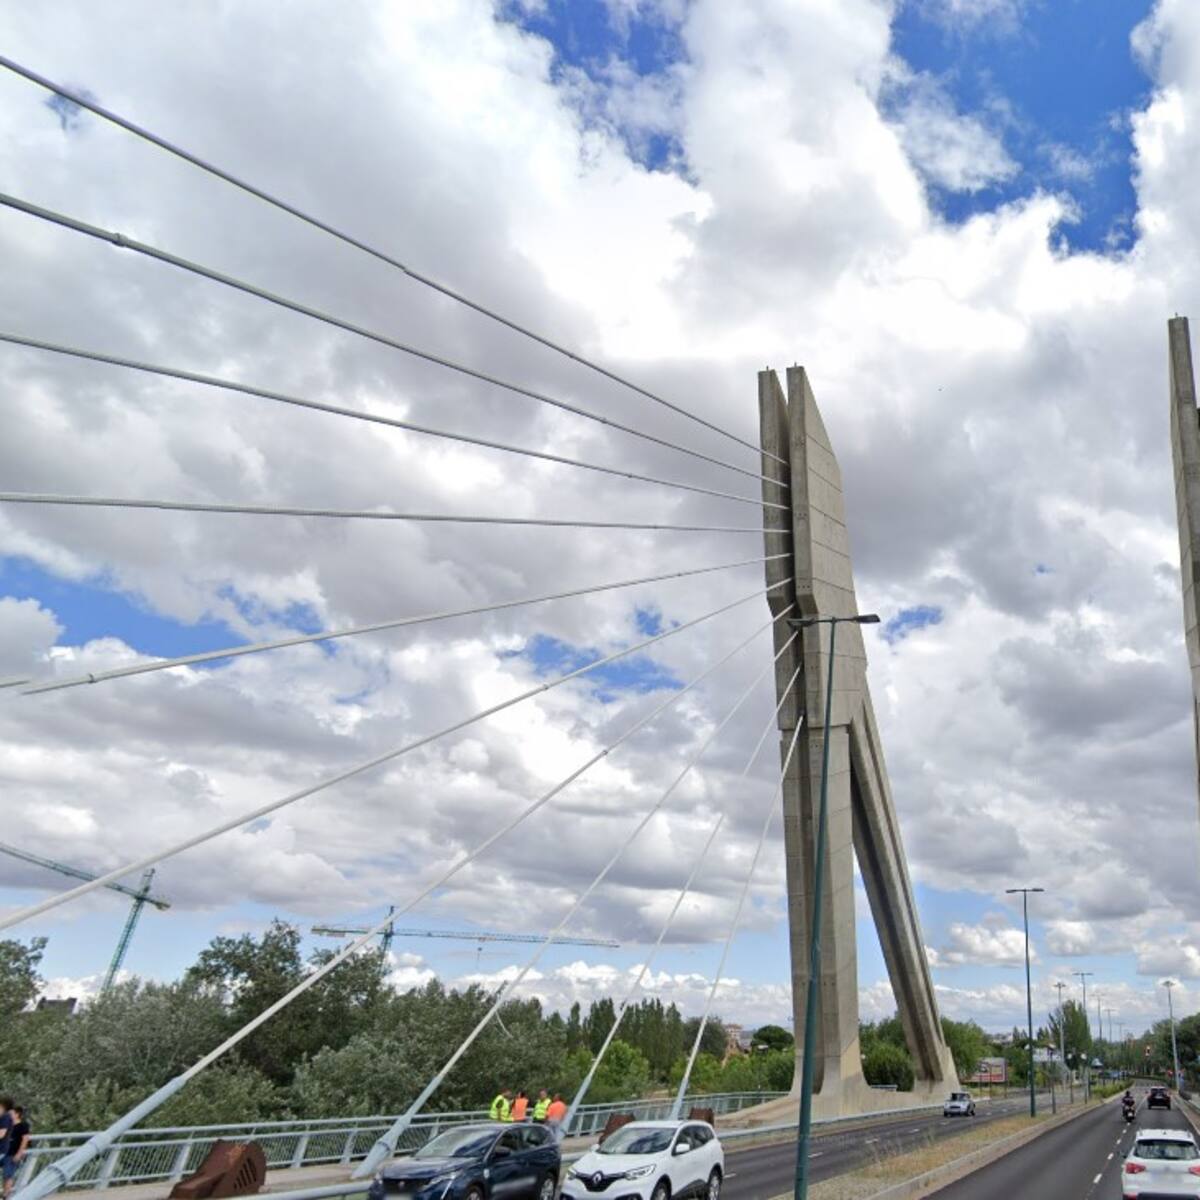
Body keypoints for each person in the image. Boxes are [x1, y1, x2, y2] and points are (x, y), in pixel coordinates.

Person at [3, 1107, 28, 1199]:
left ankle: (6, 1196)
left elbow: (25, 1140)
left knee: (8, 1175)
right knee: (6, 1175)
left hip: (12, 1154)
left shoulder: (23, 1125)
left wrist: (19, 1153)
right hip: (3, 1153)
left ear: (17, 1114)